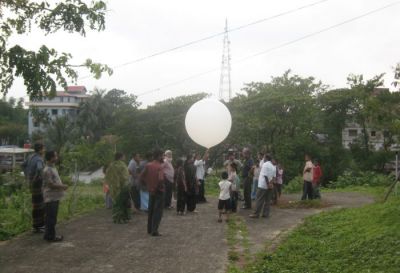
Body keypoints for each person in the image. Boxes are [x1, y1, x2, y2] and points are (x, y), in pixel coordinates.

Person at [42, 151, 68, 242]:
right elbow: (51, 185)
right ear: (51, 158)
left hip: (54, 197)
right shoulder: (47, 170)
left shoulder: (52, 168)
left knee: (51, 217)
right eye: (55, 156)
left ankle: (48, 235)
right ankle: (51, 236)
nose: (57, 157)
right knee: (51, 218)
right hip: (50, 197)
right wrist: (63, 186)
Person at [140, 149, 165, 236]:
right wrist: (160, 188)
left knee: (150, 210)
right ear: (158, 156)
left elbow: (141, 177)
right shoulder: (160, 167)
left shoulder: (148, 165)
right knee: (157, 211)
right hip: (158, 191)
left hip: (151, 191)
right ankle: (155, 230)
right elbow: (161, 179)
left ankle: (149, 229)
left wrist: (147, 186)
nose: (163, 157)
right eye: (162, 155)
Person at [23, 142, 45, 233]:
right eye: (43, 148)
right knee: (40, 205)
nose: (44, 150)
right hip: (38, 185)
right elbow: (40, 169)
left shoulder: (30, 157)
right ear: (40, 149)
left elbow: (23, 165)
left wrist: (27, 176)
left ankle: (35, 225)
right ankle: (39, 225)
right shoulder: (39, 159)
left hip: (31, 184)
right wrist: (37, 178)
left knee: (35, 205)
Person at [105, 152, 130, 223]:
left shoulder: (111, 165)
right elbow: (125, 176)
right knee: (123, 203)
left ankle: (116, 218)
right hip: (123, 187)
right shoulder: (122, 165)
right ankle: (123, 218)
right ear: (121, 157)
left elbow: (108, 176)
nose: (124, 158)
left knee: (116, 203)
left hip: (114, 188)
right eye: (124, 156)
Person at [250, 154, 276, 219]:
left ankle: (256, 214)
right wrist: (270, 184)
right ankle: (265, 214)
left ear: (266, 158)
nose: (263, 159)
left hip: (263, 185)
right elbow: (273, 177)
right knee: (267, 201)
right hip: (270, 186)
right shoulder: (273, 166)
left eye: (264, 157)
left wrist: (268, 184)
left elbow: (265, 175)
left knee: (259, 199)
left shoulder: (265, 164)